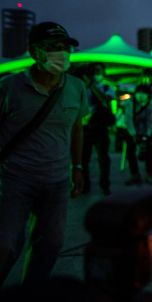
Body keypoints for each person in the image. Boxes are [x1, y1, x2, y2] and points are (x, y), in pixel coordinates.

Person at [0, 22, 87, 286]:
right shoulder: (9, 87)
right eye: (52, 48)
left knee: (50, 244)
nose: (61, 54)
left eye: (65, 48)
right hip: (14, 180)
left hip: (56, 180)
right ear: (34, 52)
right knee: (6, 245)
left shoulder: (76, 87)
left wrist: (78, 168)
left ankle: (32, 292)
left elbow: (76, 130)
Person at [81, 63, 115, 195]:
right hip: (86, 127)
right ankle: (85, 185)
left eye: (98, 71)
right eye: (94, 71)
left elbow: (106, 100)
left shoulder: (107, 86)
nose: (96, 74)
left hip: (101, 127)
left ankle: (105, 184)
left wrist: (92, 86)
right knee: (84, 158)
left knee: (103, 158)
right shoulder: (83, 88)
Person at [121, 84, 152, 184]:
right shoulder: (130, 103)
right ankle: (135, 175)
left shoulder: (151, 105)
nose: (140, 95)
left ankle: (151, 174)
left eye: (144, 93)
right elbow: (128, 120)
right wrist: (133, 134)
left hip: (146, 132)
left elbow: (151, 121)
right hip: (131, 131)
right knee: (130, 153)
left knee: (148, 153)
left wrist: (147, 135)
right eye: (139, 92)